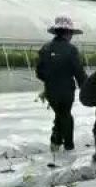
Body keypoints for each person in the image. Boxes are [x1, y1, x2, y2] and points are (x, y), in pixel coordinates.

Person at [36, 16, 88, 153]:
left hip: (51, 91)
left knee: (60, 114)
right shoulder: (71, 50)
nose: (71, 36)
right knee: (65, 115)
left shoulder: (45, 48)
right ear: (67, 33)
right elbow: (79, 72)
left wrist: (50, 81)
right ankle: (68, 145)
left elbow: (39, 72)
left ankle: (56, 141)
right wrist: (86, 87)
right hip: (66, 91)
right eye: (70, 33)